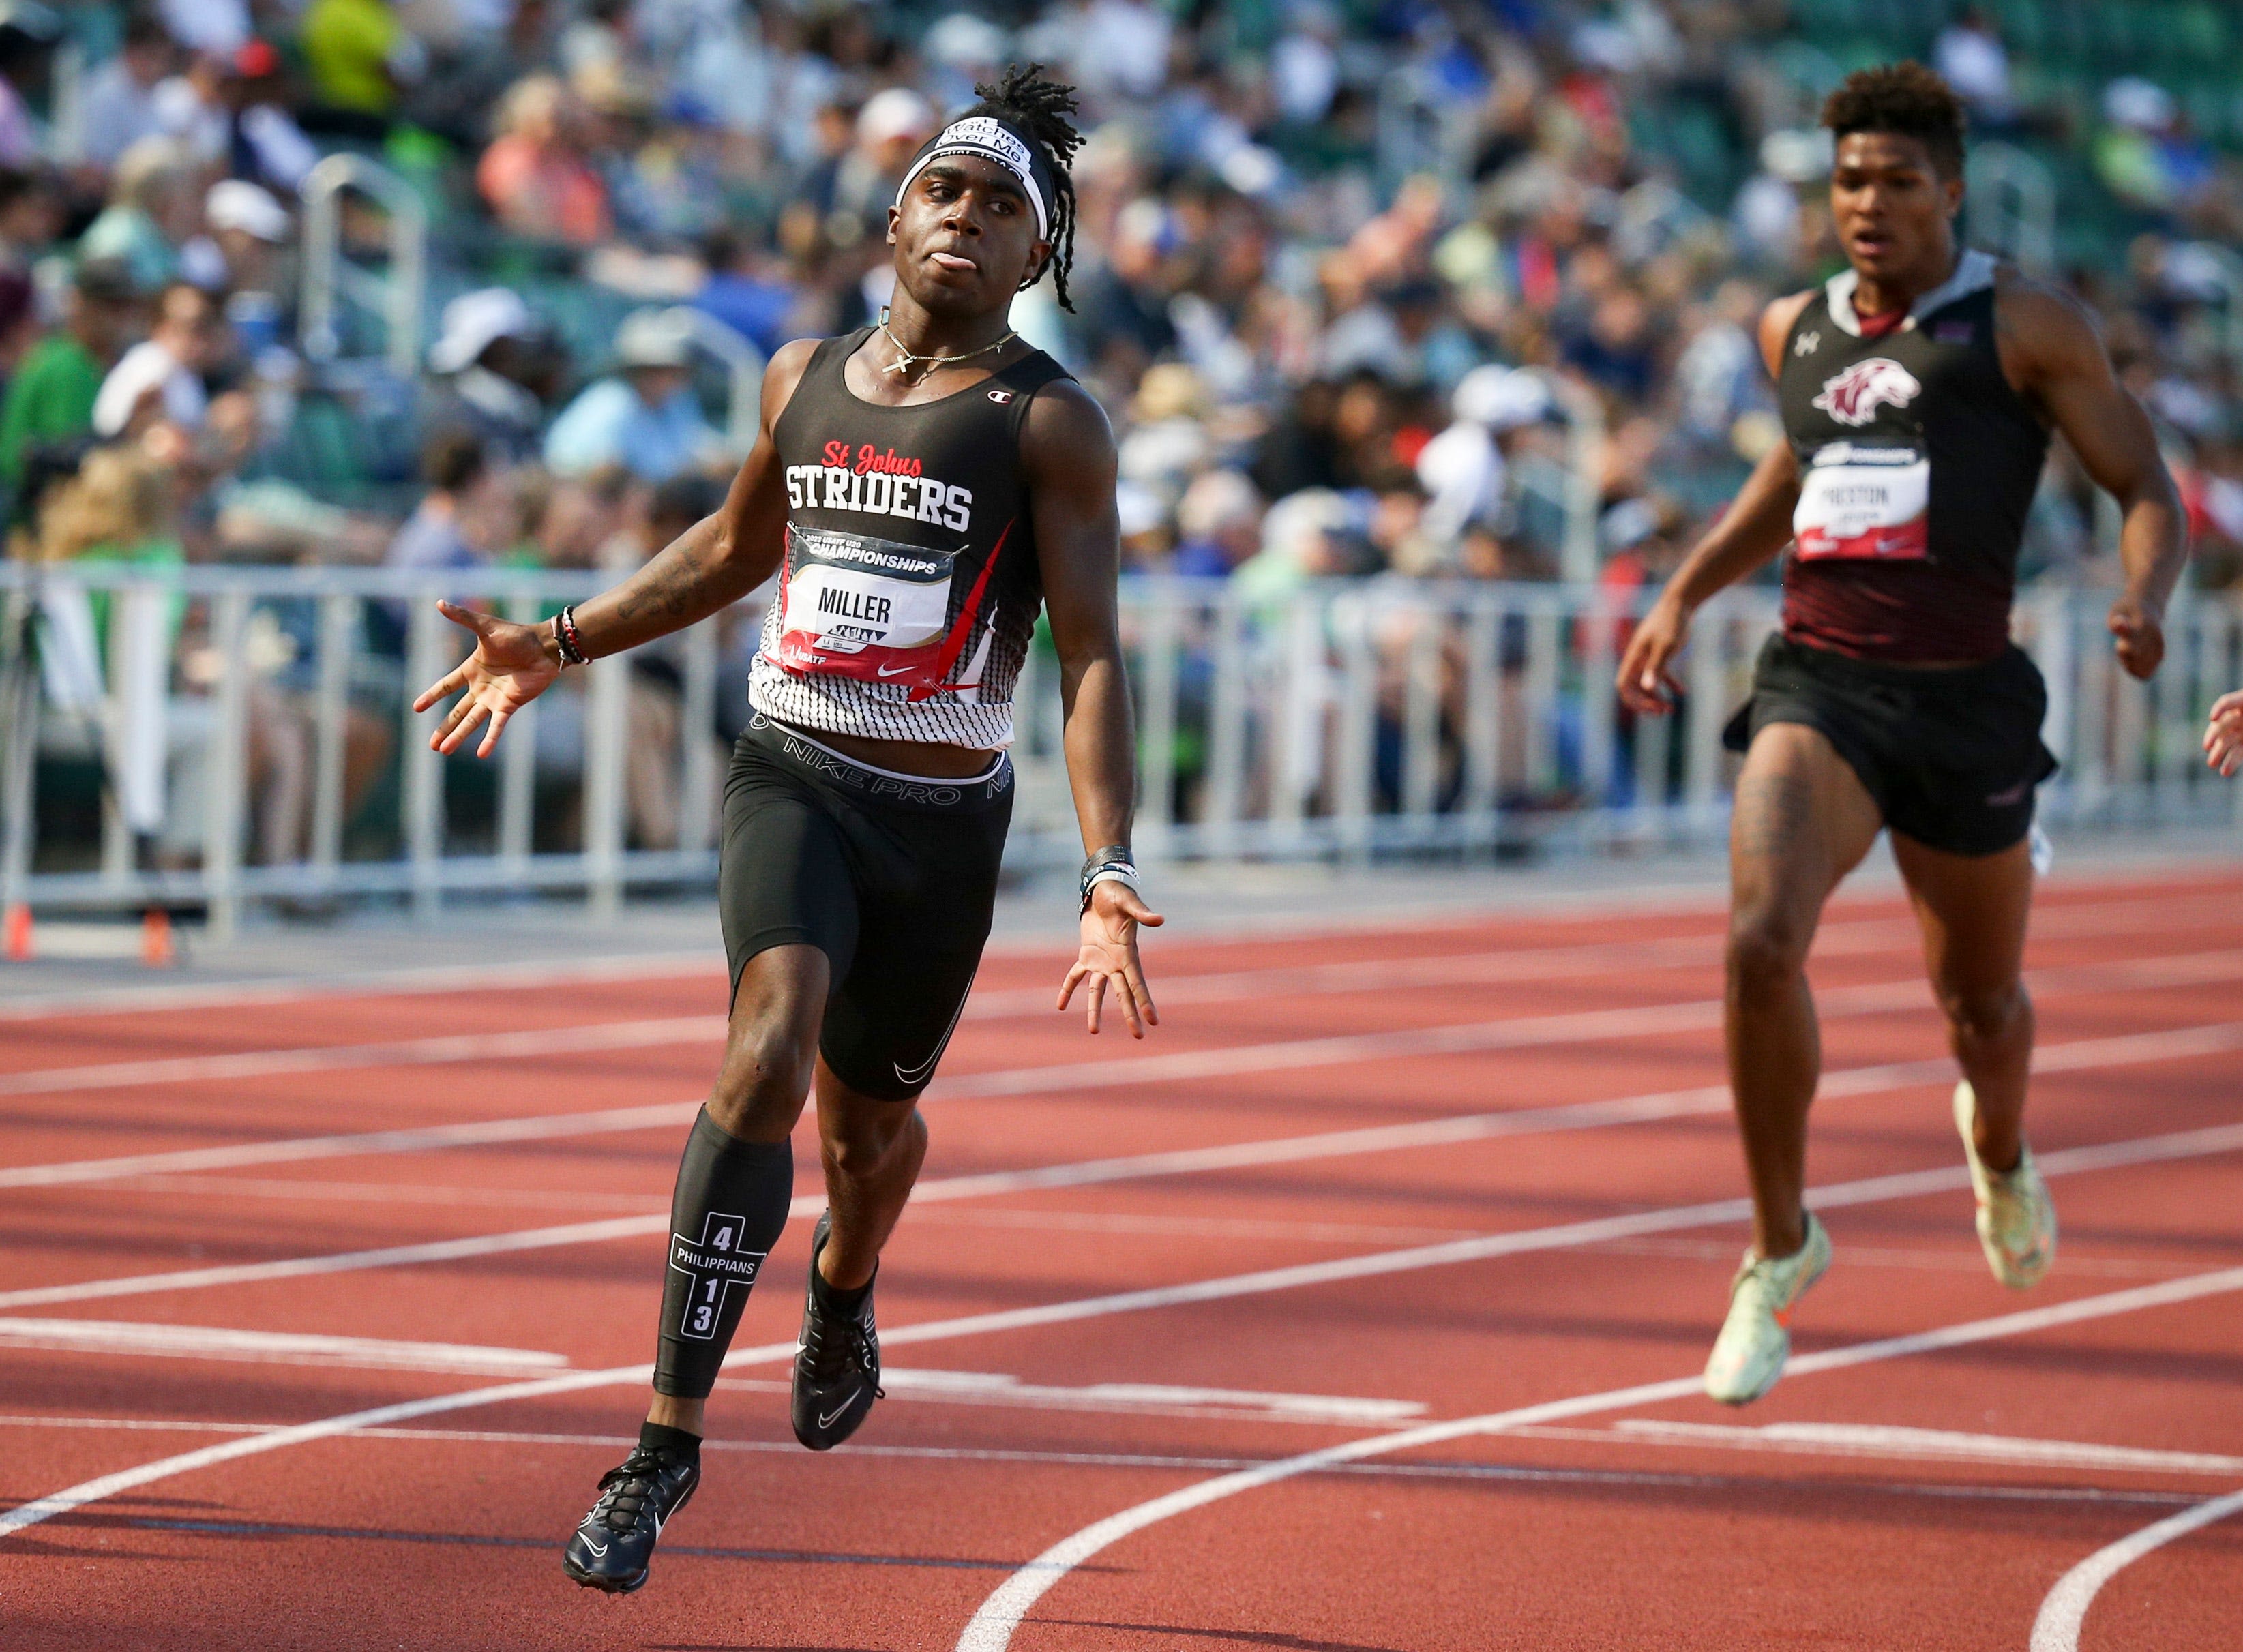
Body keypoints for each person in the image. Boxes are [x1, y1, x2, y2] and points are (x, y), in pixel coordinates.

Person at [412, 66, 1160, 1595]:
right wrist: (556, 636)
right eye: (943, 191)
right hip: (793, 769)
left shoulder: (1047, 422)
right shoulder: (798, 374)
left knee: (867, 1131)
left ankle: (844, 1278)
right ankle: (665, 1440)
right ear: (894, 216)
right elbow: (730, 551)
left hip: (942, 820)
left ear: (1040, 256)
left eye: (1001, 206)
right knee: (767, 1039)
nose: (964, 220)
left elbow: (1090, 656)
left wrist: (1107, 875)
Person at [1616, 64, 2186, 1407]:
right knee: (1759, 939)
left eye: (1896, 183)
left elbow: (2144, 479)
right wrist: (1689, 589)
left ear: (1952, 192)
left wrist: (2142, 594)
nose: (1868, 205)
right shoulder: (1788, 328)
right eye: (1849, 182)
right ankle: (1778, 1246)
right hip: (1819, 684)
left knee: (1979, 1005)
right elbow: (1795, 468)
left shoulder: (2027, 325)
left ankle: (1996, 1147)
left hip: (1967, 699)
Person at [541, 305, 720, 482]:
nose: (664, 378)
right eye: (653, 369)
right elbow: (596, 473)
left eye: (671, 370)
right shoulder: (611, 403)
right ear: (632, 369)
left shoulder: (678, 405)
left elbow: (703, 454)